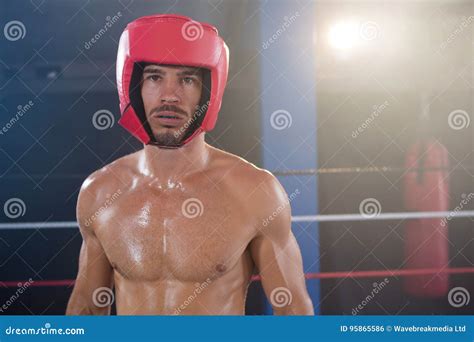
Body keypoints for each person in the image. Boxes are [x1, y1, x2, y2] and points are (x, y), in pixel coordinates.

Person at [66, 14, 313, 315]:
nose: (170, 96)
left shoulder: (254, 190)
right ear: (134, 87)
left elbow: (294, 311)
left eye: (187, 79)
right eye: (155, 77)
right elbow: (87, 310)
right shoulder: (101, 191)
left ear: (208, 91)